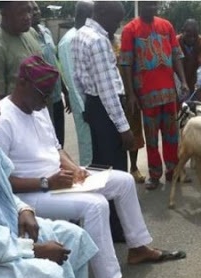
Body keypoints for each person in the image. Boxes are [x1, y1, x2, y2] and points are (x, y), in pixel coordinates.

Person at [0, 55, 185, 278]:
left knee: (124, 181)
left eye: (50, 95)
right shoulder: (2, 119)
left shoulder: (37, 108)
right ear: (23, 83)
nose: (46, 101)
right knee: (95, 205)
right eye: (43, 94)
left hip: (58, 180)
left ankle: (138, 248)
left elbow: (56, 148)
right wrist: (46, 182)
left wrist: (75, 168)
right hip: (30, 194)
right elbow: (0, 181)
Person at [0, 64, 98, 278]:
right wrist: (34, 250)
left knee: (76, 237)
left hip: (13, 234)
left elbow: (5, 194)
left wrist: (24, 210)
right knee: (50, 276)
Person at [120, 1, 190, 190]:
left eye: (155, 4)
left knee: (171, 134)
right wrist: (131, 93)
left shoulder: (166, 25)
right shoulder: (130, 29)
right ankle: (155, 173)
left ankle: (172, 171)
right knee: (151, 137)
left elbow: (176, 55)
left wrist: (182, 81)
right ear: (140, 4)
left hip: (169, 93)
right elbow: (125, 63)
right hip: (146, 94)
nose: (152, 8)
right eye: (148, 4)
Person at [71, 1, 134, 172]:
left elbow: (77, 79)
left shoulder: (80, 35)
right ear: (103, 13)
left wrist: (88, 106)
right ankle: (115, 199)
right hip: (108, 110)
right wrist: (124, 128)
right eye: (116, 20)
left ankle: (104, 199)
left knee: (100, 163)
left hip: (94, 106)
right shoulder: (98, 41)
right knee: (116, 167)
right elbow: (108, 91)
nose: (118, 25)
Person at [0, 1, 42, 101]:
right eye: (20, 12)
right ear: (4, 14)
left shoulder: (31, 32)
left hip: (39, 108)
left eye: (29, 10)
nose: (28, 17)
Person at [58, 1, 93, 167]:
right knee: (87, 144)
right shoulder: (69, 41)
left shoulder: (83, 35)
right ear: (84, 16)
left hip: (91, 102)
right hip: (84, 105)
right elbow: (73, 80)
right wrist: (85, 108)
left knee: (95, 143)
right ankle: (89, 178)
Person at [111, 34, 146, 184]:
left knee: (134, 132)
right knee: (114, 135)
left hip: (130, 93)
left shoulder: (123, 40)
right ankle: (117, 171)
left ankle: (133, 167)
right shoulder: (100, 42)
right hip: (111, 96)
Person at [31, 1, 65, 147]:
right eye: (31, 10)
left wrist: (65, 91)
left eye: (37, 9)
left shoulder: (46, 31)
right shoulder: (26, 37)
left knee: (59, 137)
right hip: (42, 98)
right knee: (48, 141)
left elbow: (55, 62)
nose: (36, 12)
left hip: (57, 95)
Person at [177, 19, 201, 103]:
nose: (192, 39)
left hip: (196, 82)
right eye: (188, 35)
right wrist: (182, 83)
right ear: (182, 31)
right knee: (179, 110)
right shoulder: (176, 42)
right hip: (179, 82)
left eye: (195, 36)